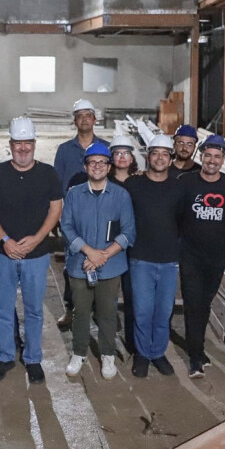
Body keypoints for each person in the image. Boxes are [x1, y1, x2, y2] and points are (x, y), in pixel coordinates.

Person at [0, 117, 64, 384]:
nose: (23, 148)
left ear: (34, 143)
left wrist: (38, 238)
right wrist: (5, 240)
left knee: (34, 310)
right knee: (3, 309)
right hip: (3, 253)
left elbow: (55, 209)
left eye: (28, 143)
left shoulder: (48, 174)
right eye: (19, 143)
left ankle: (33, 359)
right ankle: (5, 357)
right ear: (10, 144)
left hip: (36, 256)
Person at [60, 143, 135, 380]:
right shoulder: (74, 194)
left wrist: (102, 256)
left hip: (110, 265)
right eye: (92, 162)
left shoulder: (121, 195)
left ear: (109, 167)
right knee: (80, 311)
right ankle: (79, 352)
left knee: (107, 312)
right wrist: (88, 252)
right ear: (85, 166)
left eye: (102, 162)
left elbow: (128, 232)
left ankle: (107, 354)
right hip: (79, 264)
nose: (97, 166)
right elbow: (67, 227)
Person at [176, 133, 225, 377]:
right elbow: (175, 215)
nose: (212, 161)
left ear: (223, 160)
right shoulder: (186, 182)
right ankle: (195, 358)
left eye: (217, 157)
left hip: (215, 256)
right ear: (201, 156)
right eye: (208, 155)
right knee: (193, 304)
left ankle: (198, 350)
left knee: (205, 304)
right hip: (190, 254)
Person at [124, 135, 184, 377]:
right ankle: (142, 354)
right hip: (141, 259)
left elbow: (184, 222)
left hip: (169, 260)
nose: (160, 158)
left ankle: (157, 352)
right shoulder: (133, 185)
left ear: (170, 159)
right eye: (155, 153)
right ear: (148, 156)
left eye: (164, 154)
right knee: (142, 310)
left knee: (163, 311)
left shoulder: (179, 187)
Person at [53, 99, 108, 330]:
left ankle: (99, 309)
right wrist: (57, 215)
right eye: (80, 116)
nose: (84, 119)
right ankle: (71, 308)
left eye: (88, 115)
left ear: (95, 119)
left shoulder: (106, 147)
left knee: (101, 261)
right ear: (74, 121)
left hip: (101, 215)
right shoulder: (65, 150)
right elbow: (56, 185)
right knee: (72, 264)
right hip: (73, 217)